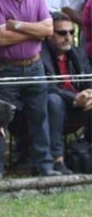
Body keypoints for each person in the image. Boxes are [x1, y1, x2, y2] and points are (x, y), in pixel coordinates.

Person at [0, 0, 59, 180]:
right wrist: (33, 31)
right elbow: (1, 38)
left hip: (35, 66)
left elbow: (48, 30)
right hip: (6, 68)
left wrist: (16, 25)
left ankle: (43, 165)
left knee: (40, 115)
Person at [40, 12, 92, 174]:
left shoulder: (78, 53)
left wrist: (90, 94)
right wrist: (75, 98)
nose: (68, 37)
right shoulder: (39, 55)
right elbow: (46, 86)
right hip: (54, 108)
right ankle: (57, 160)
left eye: (71, 32)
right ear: (49, 35)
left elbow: (88, 79)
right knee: (53, 100)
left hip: (79, 107)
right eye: (62, 33)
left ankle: (86, 154)